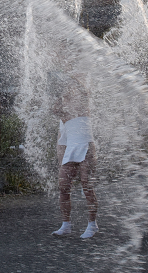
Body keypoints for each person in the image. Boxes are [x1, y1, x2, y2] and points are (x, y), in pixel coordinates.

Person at [48, 73, 99, 239]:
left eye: (72, 86)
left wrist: (71, 78)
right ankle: (66, 224)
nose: (70, 89)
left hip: (86, 146)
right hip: (71, 147)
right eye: (67, 86)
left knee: (86, 185)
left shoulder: (83, 99)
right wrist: (59, 94)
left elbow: (83, 90)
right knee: (63, 186)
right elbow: (54, 110)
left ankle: (92, 224)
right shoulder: (64, 102)